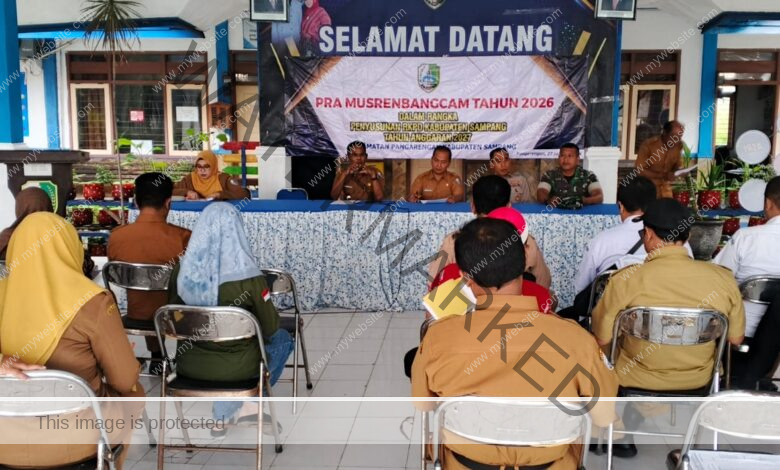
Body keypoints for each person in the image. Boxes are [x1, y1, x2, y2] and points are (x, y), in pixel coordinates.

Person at [412, 217, 618, 470]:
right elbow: (604, 416)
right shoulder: (578, 341)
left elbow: (423, 405)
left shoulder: (438, 337)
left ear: (465, 277)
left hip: (464, 464)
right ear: (524, 265)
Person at [0, 212, 144, 469]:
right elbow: (124, 379)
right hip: (73, 440)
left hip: (5, 441)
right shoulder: (94, 301)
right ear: (70, 248)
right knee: (134, 392)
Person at [167, 202, 294, 432]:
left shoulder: (181, 271)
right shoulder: (250, 278)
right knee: (283, 339)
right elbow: (270, 327)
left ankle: (227, 416)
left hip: (189, 365)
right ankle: (243, 408)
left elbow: (173, 318)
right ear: (237, 230)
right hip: (240, 369)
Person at [593, 198, 745, 389]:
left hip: (634, 378)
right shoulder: (723, 279)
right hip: (699, 380)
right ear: (688, 236)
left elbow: (602, 337)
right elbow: (735, 339)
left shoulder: (625, 280)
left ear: (648, 234)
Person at [108, 173, 192, 359]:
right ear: (168, 203)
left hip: (135, 316)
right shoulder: (182, 238)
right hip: (174, 318)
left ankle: (156, 354)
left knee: (146, 298)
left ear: (137, 202)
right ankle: (184, 358)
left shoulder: (117, 236)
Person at [427, 175, 551, 289]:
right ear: (508, 206)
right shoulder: (524, 239)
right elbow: (544, 284)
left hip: (469, 305)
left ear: (473, 206)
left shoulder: (454, 240)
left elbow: (433, 283)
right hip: (514, 303)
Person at [714, 176, 780, 389]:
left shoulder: (745, 237)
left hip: (742, 333)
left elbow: (719, 277)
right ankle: (762, 380)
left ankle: (732, 383)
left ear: (767, 203)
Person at [0, 187, 94, 276]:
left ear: (19, 208)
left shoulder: (7, 238)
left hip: (17, 287)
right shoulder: (64, 230)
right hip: (64, 286)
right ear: (49, 205)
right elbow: (84, 265)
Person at [537, 143, 603, 209]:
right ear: (558, 158)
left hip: (581, 213)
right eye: (562, 156)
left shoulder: (589, 176)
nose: (565, 160)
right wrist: (548, 200)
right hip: (555, 212)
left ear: (577, 159)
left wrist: (583, 201)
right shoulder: (549, 175)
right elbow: (541, 192)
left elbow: (599, 196)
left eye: (570, 156)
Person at [634, 120, 685, 198]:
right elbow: (639, 171)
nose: (676, 140)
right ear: (664, 132)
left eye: (679, 137)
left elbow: (677, 166)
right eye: (673, 136)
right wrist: (663, 175)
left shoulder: (678, 146)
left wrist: (680, 171)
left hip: (666, 191)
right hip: (647, 190)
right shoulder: (648, 145)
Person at [173, 150, 249, 201]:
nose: (202, 170)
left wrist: (219, 194)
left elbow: (244, 194)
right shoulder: (190, 179)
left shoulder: (223, 179)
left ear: (213, 166)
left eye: (206, 166)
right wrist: (187, 192)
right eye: (199, 166)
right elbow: (169, 190)